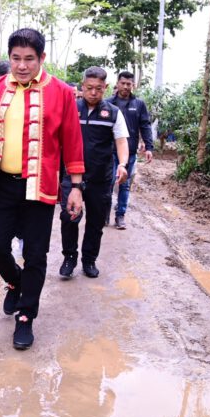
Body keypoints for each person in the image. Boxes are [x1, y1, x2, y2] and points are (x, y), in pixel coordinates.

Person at [0, 28, 85, 351]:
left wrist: (77, 187)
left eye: (29, 59)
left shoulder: (62, 93)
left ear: (42, 58)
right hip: (1, 187)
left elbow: (72, 142)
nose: (22, 65)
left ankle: (26, 315)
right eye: (16, 58)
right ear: (9, 57)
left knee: (36, 254)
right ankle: (15, 281)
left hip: (39, 189)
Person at [59, 67, 129, 279]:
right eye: (89, 88)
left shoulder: (113, 113)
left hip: (100, 178)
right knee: (69, 217)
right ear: (82, 86)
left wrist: (123, 164)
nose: (93, 93)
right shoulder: (71, 108)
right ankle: (69, 257)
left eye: (99, 89)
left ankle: (89, 260)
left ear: (106, 88)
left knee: (96, 222)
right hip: (71, 177)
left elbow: (121, 141)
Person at [105, 71, 154, 229]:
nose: (126, 87)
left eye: (129, 84)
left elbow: (145, 125)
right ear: (117, 83)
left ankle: (120, 216)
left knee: (124, 185)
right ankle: (104, 214)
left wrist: (149, 147)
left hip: (130, 151)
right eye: (123, 83)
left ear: (133, 85)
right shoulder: (108, 103)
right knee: (109, 182)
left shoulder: (138, 104)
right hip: (109, 150)